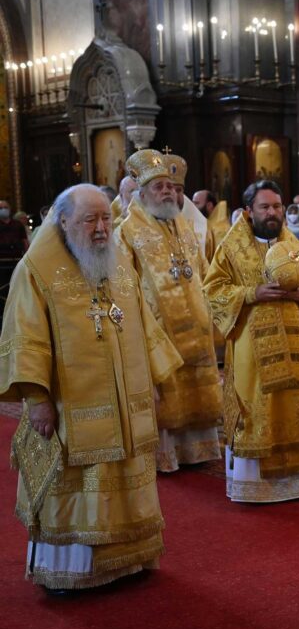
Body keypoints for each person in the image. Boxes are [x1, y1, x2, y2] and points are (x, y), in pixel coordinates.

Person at [0, 184, 182, 590]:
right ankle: (75, 573)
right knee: (79, 487)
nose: (102, 228)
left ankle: (129, 561)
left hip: (125, 402)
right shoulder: (36, 270)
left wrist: (152, 377)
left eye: (106, 218)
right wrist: (37, 399)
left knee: (125, 478)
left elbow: (142, 322)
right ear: (63, 221)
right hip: (70, 409)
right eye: (90, 219)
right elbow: (25, 337)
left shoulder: (116, 265)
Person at [203, 180, 299, 502]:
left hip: (291, 345)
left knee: (292, 405)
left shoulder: (292, 244)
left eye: (277, 206)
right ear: (248, 211)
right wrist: (251, 293)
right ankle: (254, 488)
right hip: (250, 350)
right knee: (256, 407)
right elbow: (212, 290)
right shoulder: (231, 247)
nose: (273, 213)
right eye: (265, 207)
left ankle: (294, 483)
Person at [116, 149, 222, 473]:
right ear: (142, 192)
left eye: (170, 186)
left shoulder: (185, 227)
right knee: (167, 387)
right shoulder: (127, 231)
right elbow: (123, 284)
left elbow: (204, 273)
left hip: (196, 325)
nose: (167, 191)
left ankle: (199, 450)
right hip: (158, 329)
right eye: (159, 186)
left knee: (197, 385)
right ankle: (167, 456)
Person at [192, 189, 231, 258]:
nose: (192, 207)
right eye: (192, 203)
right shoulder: (205, 223)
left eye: (196, 203)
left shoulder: (220, 229)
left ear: (209, 205)